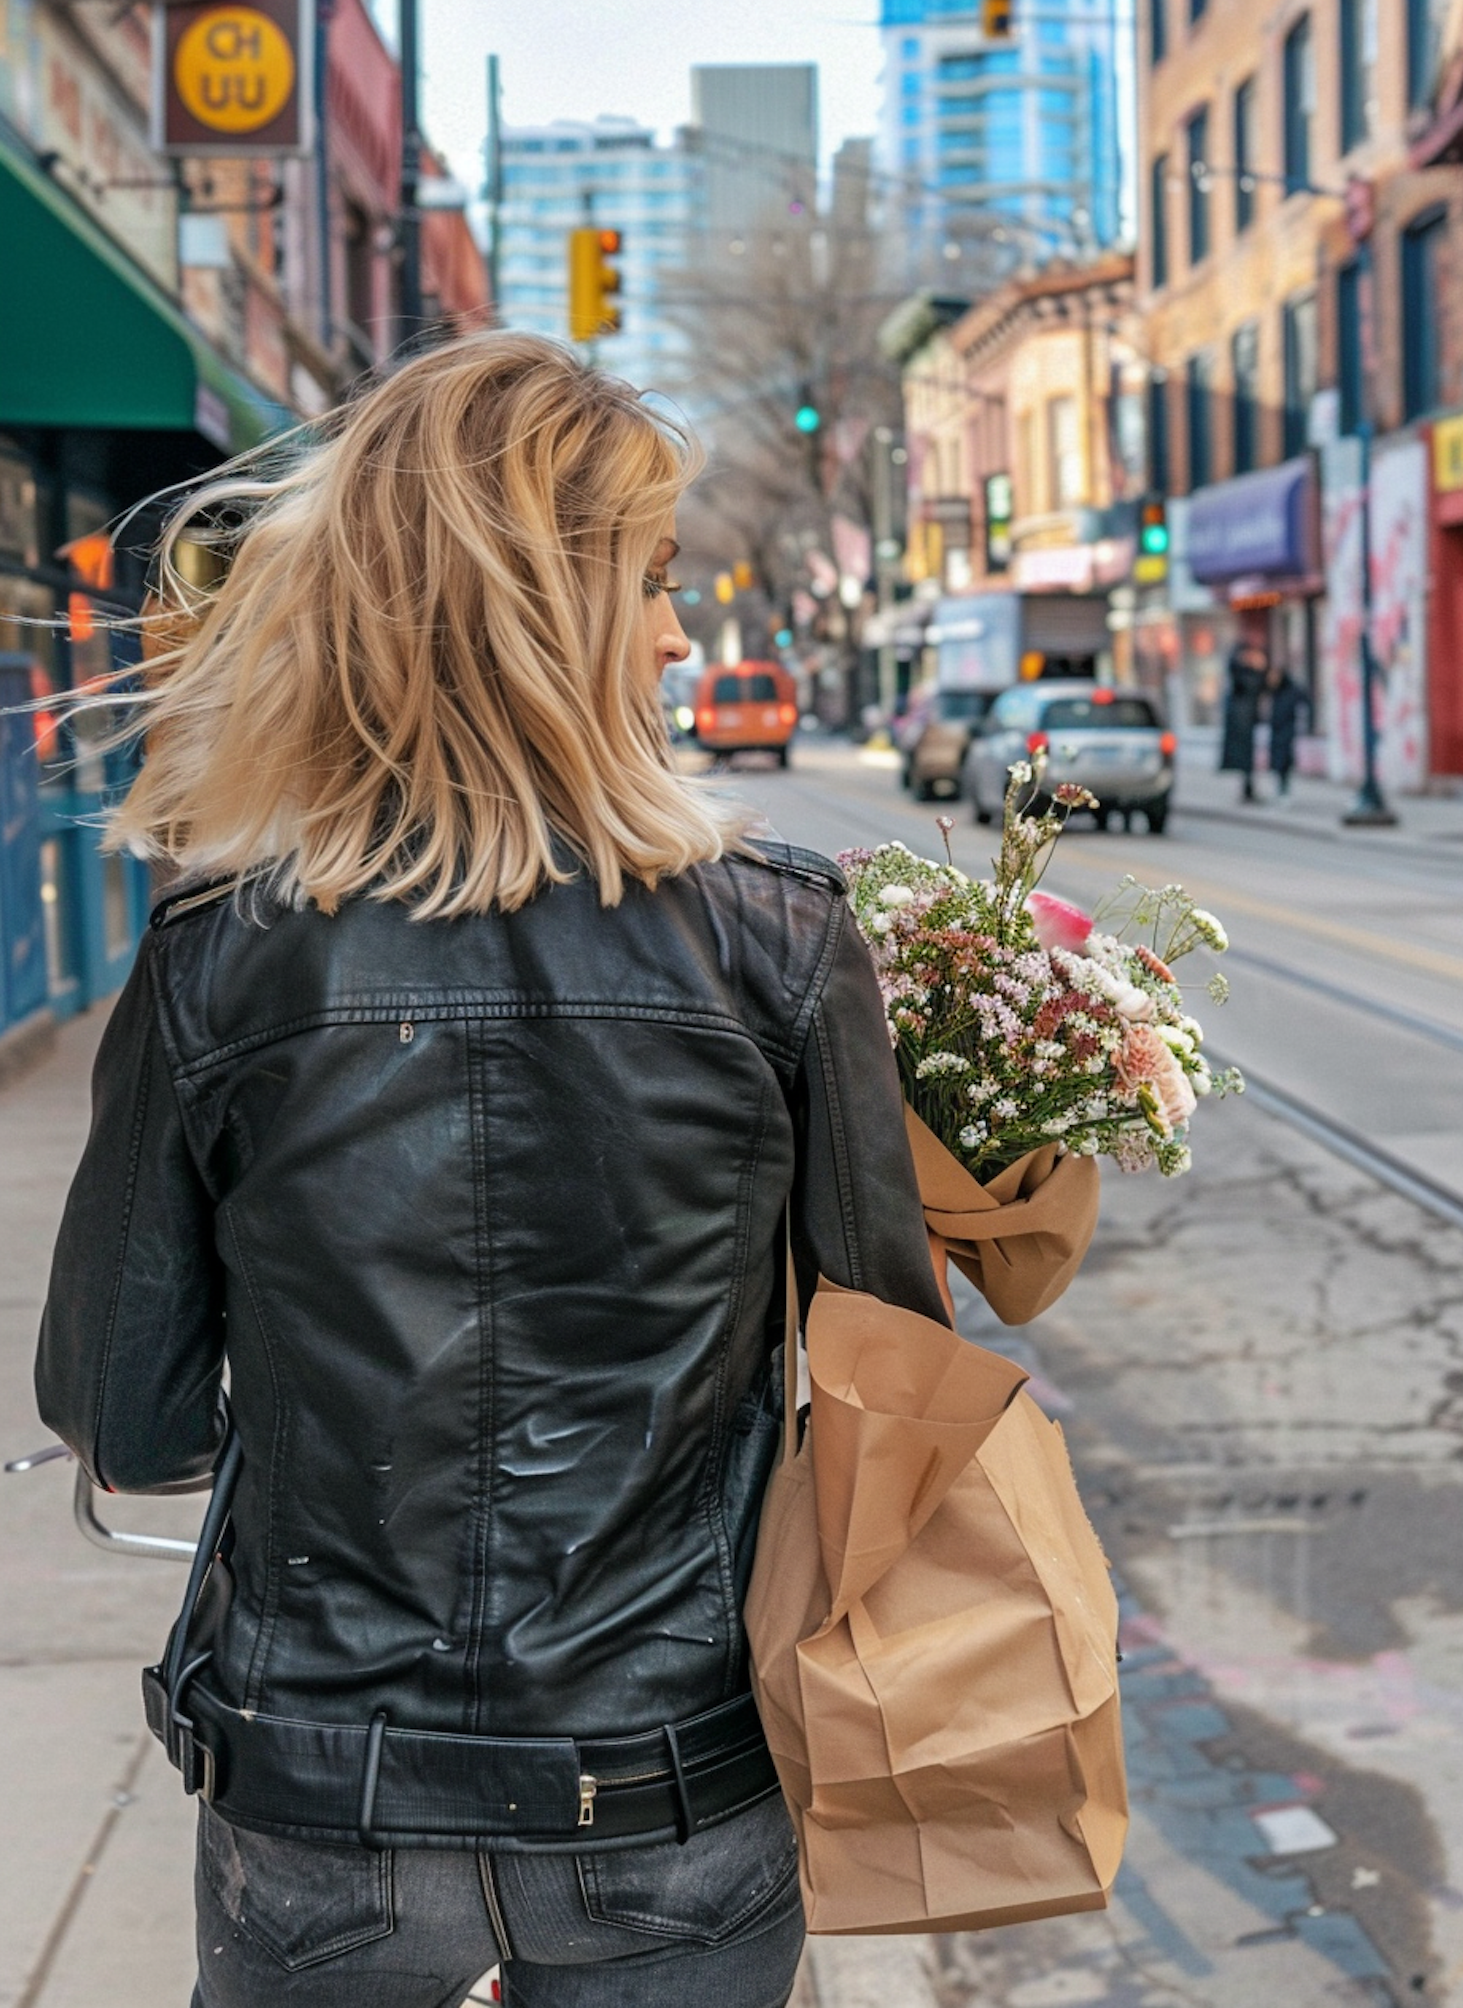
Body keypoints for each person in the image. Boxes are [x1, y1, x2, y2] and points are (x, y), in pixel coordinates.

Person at [34, 334, 952, 2008]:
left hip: (321, 1803)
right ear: (532, 608)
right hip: (673, 1780)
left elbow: (129, 1411)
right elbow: (897, 1384)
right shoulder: (784, 946)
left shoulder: (215, 958)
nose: (683, 632)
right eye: (652, 583)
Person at [1220, 638, 1267, 804]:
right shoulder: (1241, 671)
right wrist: (1258, 670)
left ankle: (1248, 789)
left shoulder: (1241, 670)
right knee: (1245, 758)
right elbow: (1253, 685)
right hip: (1242, 721)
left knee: (1247, 759)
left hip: (1246, 719)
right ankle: (1247, 790)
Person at [1266, 661, 1312, 795]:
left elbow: (1306, 703)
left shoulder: (1292, 690)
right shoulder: (1274, 691)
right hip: (1276, 729)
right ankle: (1281, 787)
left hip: (1287, 729)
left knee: (1284, 758)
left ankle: (1283, 788)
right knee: (1278, 759)